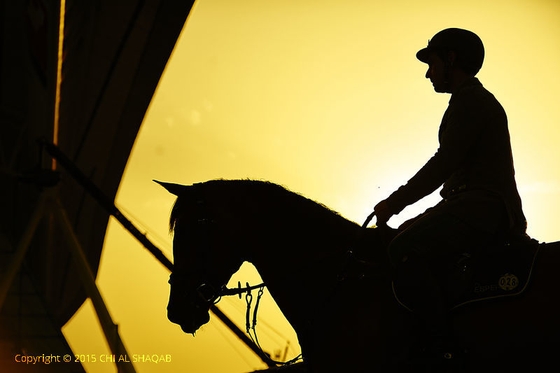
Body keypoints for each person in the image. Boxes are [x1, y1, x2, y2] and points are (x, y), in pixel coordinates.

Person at [373, 28, 528, 365]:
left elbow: (444, 163)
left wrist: (394, 202)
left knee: (401, 247)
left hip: (480, 208)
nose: (428, 72)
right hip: (469, 205)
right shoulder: (468, 101)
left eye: (432, 62)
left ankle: (442, 348)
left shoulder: (471, 101)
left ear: (451, 59)